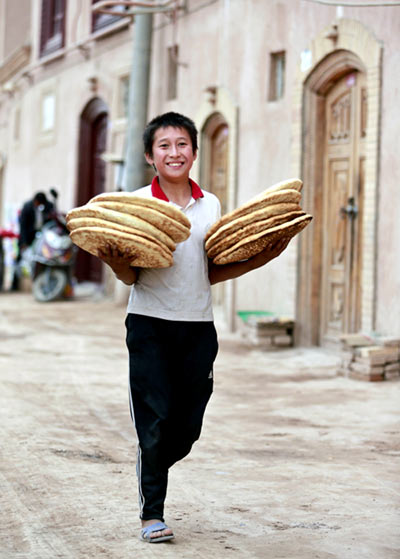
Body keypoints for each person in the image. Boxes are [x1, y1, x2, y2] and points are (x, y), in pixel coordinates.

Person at [98, 112, 290, 543]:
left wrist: (262, 257)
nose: (174, 152)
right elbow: (132, 276)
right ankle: (152, 514)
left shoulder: (212, 205)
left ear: (195, 152)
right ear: (150, 156)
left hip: (198, 327)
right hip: (149, 324)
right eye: (164, 145)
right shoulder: (136, 205)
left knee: (186, 428)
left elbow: (209, 271)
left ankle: (153, 460)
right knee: (153, 420)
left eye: (182, 144)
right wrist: (113, 258)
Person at [12, 191, 54, 290]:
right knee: (19, 259)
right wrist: (24, 243)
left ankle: (40, 284)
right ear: (35, 201)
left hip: (42, 236)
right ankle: (15, 285)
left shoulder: (48, 206)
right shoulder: (27, 207)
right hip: (28, 236)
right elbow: (23, 226)